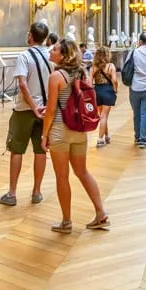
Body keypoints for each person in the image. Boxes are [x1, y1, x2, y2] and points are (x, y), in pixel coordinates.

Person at [41, 38, 109, 233]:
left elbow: (52, 110)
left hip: (60, 131)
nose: (50, 51)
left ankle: (66, 221)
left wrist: (44, 135)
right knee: (82, 172)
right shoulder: (83, 72)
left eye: (54, 49)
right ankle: (100, 213)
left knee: (62, 177)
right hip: (79, 129)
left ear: (63, 55)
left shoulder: (56, 76)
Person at [0, 22, 51, 207]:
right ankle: (36, 192)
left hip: (24, 110)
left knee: (17, 150)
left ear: (31, 36)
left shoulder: (24, 56)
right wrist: (43, 107)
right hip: (45, 111)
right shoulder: (51, 55)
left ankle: (12, 193)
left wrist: (33, 106)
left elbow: (22, 83)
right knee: (41, 150)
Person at [90, 47, 118, 148]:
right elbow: (114, 80)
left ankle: (106, 136)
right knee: (104, 116)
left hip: (97, 91)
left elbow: (89, 83)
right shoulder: (110, 66)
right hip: (108, 91)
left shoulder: (93, 67)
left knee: (102, 115)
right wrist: (115, 90)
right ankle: (100, 139)